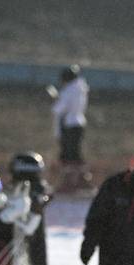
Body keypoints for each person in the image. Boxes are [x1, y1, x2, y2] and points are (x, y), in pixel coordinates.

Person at [52, 64, 90, 192]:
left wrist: (55, 100)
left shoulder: (70, 90)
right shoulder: (80, 89)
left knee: (69, 155)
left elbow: (60, 108)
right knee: (75, 154)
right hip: (78, 123)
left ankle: (70, 181)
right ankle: (81, 179)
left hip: (69, 124)